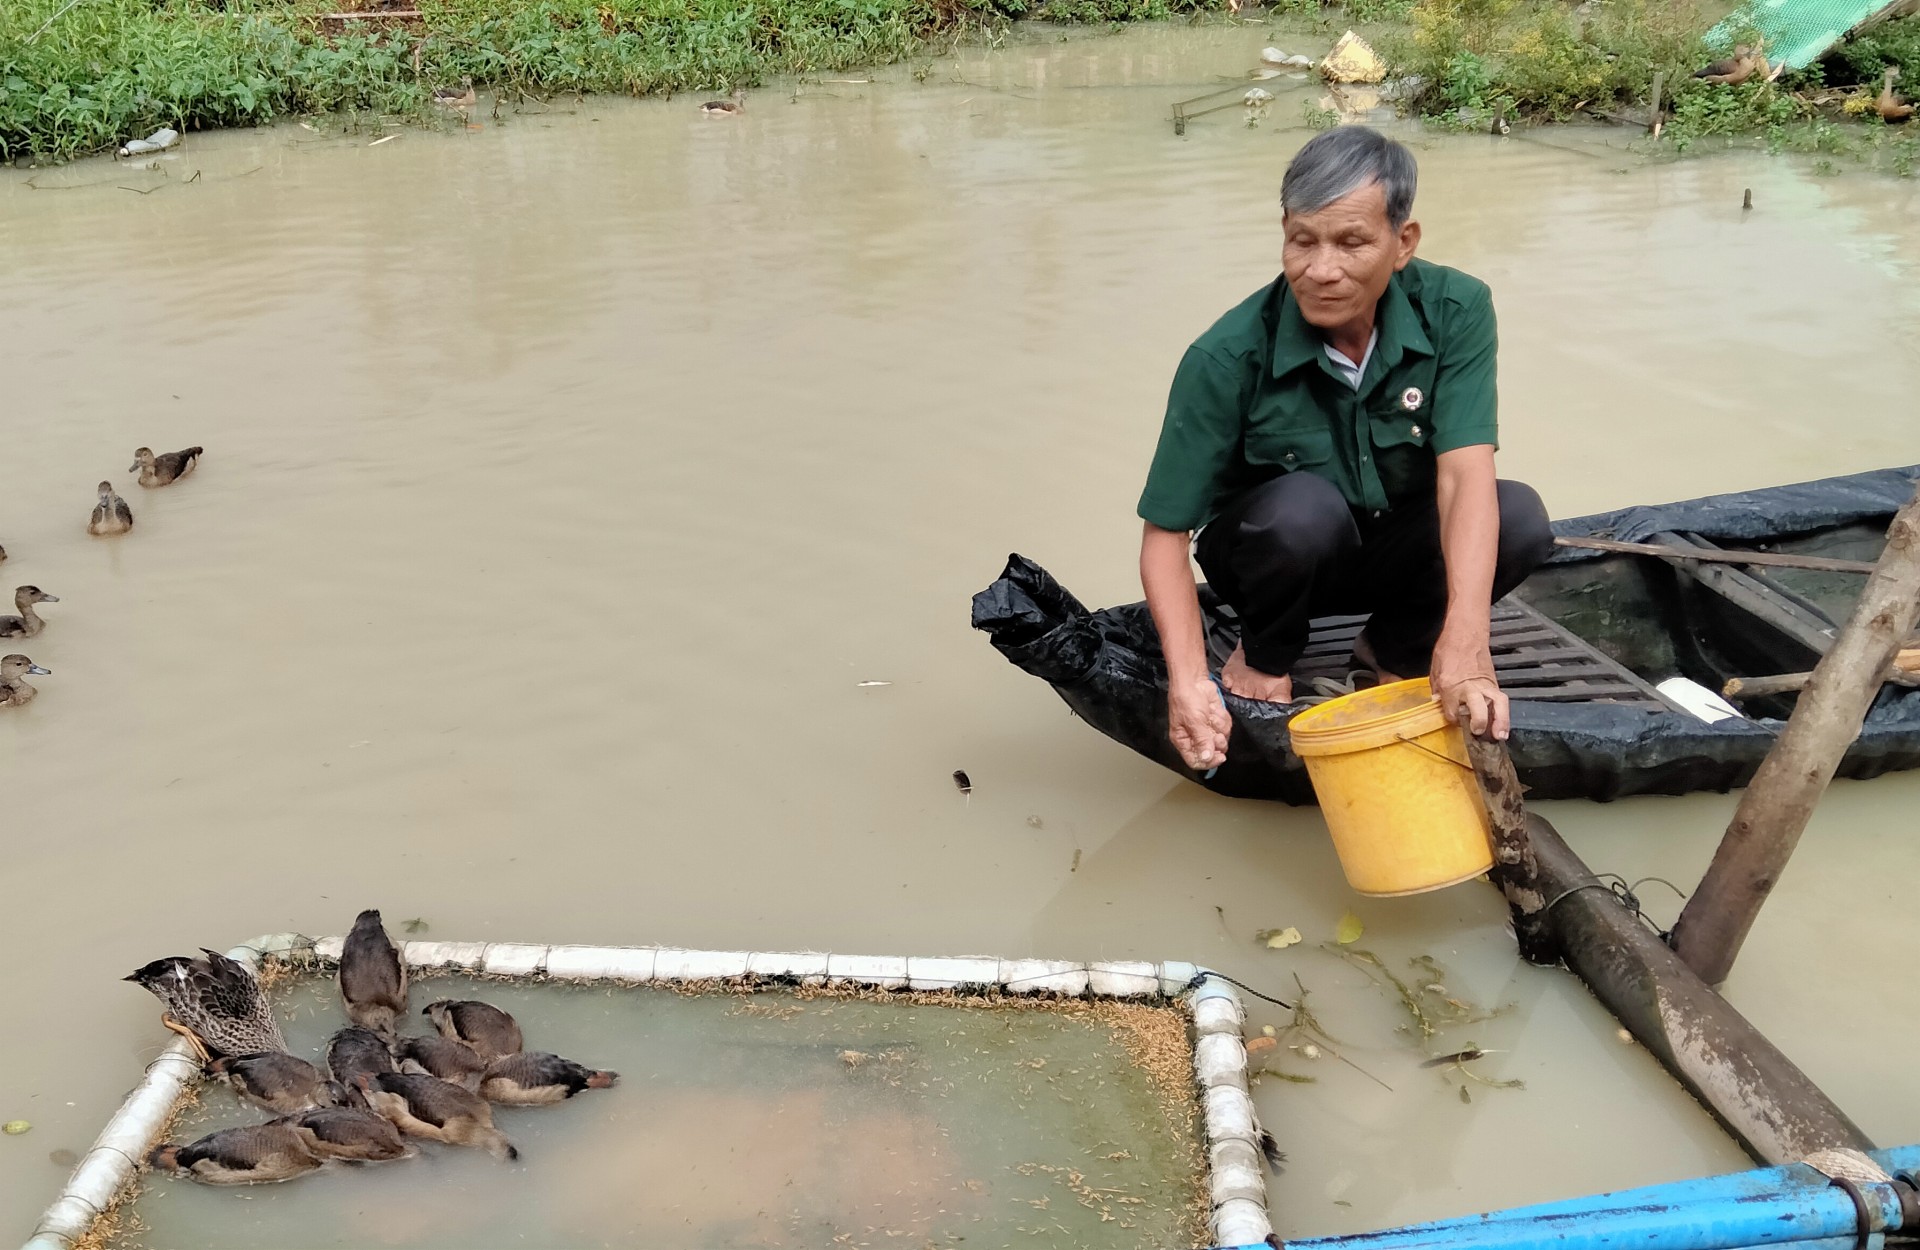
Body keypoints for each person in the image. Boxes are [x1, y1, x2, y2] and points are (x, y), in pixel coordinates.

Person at [1136, 126, 1554, 774]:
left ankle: (1394, 648)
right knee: (1301, 512)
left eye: (1351, 242)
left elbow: (1464, 476)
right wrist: (1188, 681)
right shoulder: (1227, 354)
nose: (1321, 270)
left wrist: (1466, 643)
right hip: (1277, 563)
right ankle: (1265, 654)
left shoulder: (1457, 309)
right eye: (1303, 241)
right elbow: (1165, 535)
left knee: (1520, 517)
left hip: (1391, 549)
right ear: (1284, 232)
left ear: (1403, 243)